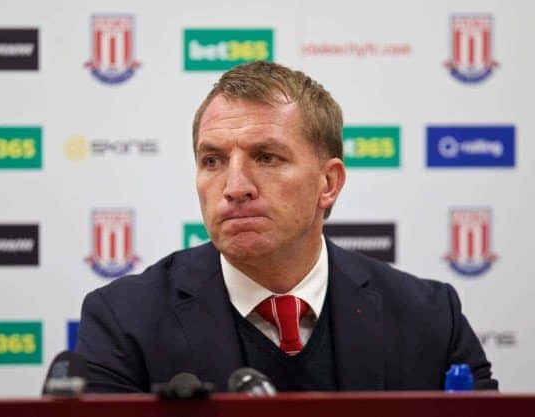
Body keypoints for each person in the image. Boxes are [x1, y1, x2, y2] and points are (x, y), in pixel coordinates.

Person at [76, 61, 497, 392]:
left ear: (327, 183)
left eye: (266, 157)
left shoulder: (429, 319)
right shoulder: (125, 321)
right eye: (213, 161)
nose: (234, 187)